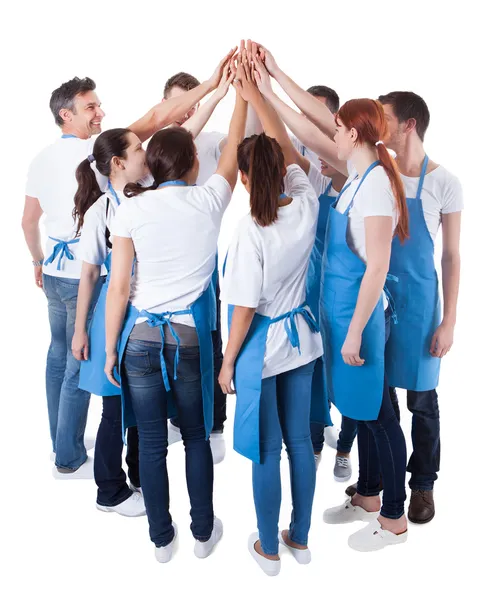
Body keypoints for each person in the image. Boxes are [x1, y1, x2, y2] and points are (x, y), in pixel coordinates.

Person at [21, 51, 234, 477]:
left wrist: (38, 260)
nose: (100, 112)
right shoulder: (101, 160)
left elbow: (29, 220)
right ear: (68, 115)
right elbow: (162, 119)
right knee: (94, 375)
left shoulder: (52, 159)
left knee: (61, 358)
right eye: (91, 107)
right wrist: (213, 85)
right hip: (98, 282)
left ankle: (65, 448)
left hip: (64, 271)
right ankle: (88, 467)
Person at [103, 73, 247, 563]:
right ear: (192, 164)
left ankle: (162, 540)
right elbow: (229, 154)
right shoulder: (210, 201)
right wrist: (239, 96)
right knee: (195, 439)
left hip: (139, 339)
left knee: (148, 442)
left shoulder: (130, 209)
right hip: (188, 339)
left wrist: (108, 350)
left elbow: (119, 288)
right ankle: (204, 533)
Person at [219, 57, 324, 576]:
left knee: (265, 449)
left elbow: (241, 310)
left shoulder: (248, 233)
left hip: (260, 346)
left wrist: (225, 362)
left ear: (240, 179)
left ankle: (267, 546)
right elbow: (283, 144)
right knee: (300, 441)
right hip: (302, 340)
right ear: (284, 169)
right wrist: (258, 92)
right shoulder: (306, 203)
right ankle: (300, 538)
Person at [161, 41, 262, 461]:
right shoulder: (156, 150)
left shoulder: (216, 142)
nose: (186, 112)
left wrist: (249, 90)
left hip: (203, 259)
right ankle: (172, 416)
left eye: (192, 103)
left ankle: (214, 420)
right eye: (178, 105)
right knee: (163, 340)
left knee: (210, 337)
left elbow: (250, 136)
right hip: (160, 261)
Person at [379, 91, 463, 524]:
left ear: (408, 124)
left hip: (421, 306)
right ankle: (382, 479)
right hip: (379, 302)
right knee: (379, 398)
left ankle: (423, 485)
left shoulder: (445, 182)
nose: (379, 126)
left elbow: (450, 256)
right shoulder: (378, 174)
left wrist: (448, 321)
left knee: (423, 401)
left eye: (386, 118)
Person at [71, 128, 149, 516]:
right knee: (115, 406)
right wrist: (80, 329)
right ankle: (109, 490)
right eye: (138, 148)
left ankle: (140, 476)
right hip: (112, 313)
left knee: (144, 403)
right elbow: (88, 275)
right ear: (118, 163)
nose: (145, 152)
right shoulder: (100, 212)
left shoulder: (148, 195)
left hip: (145, 310)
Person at [291, 85, 340, 171]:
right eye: (303, 109)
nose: (305, 117)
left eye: (313, 112)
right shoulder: (294, 144)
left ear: (333, 118)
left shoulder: (343, 154)